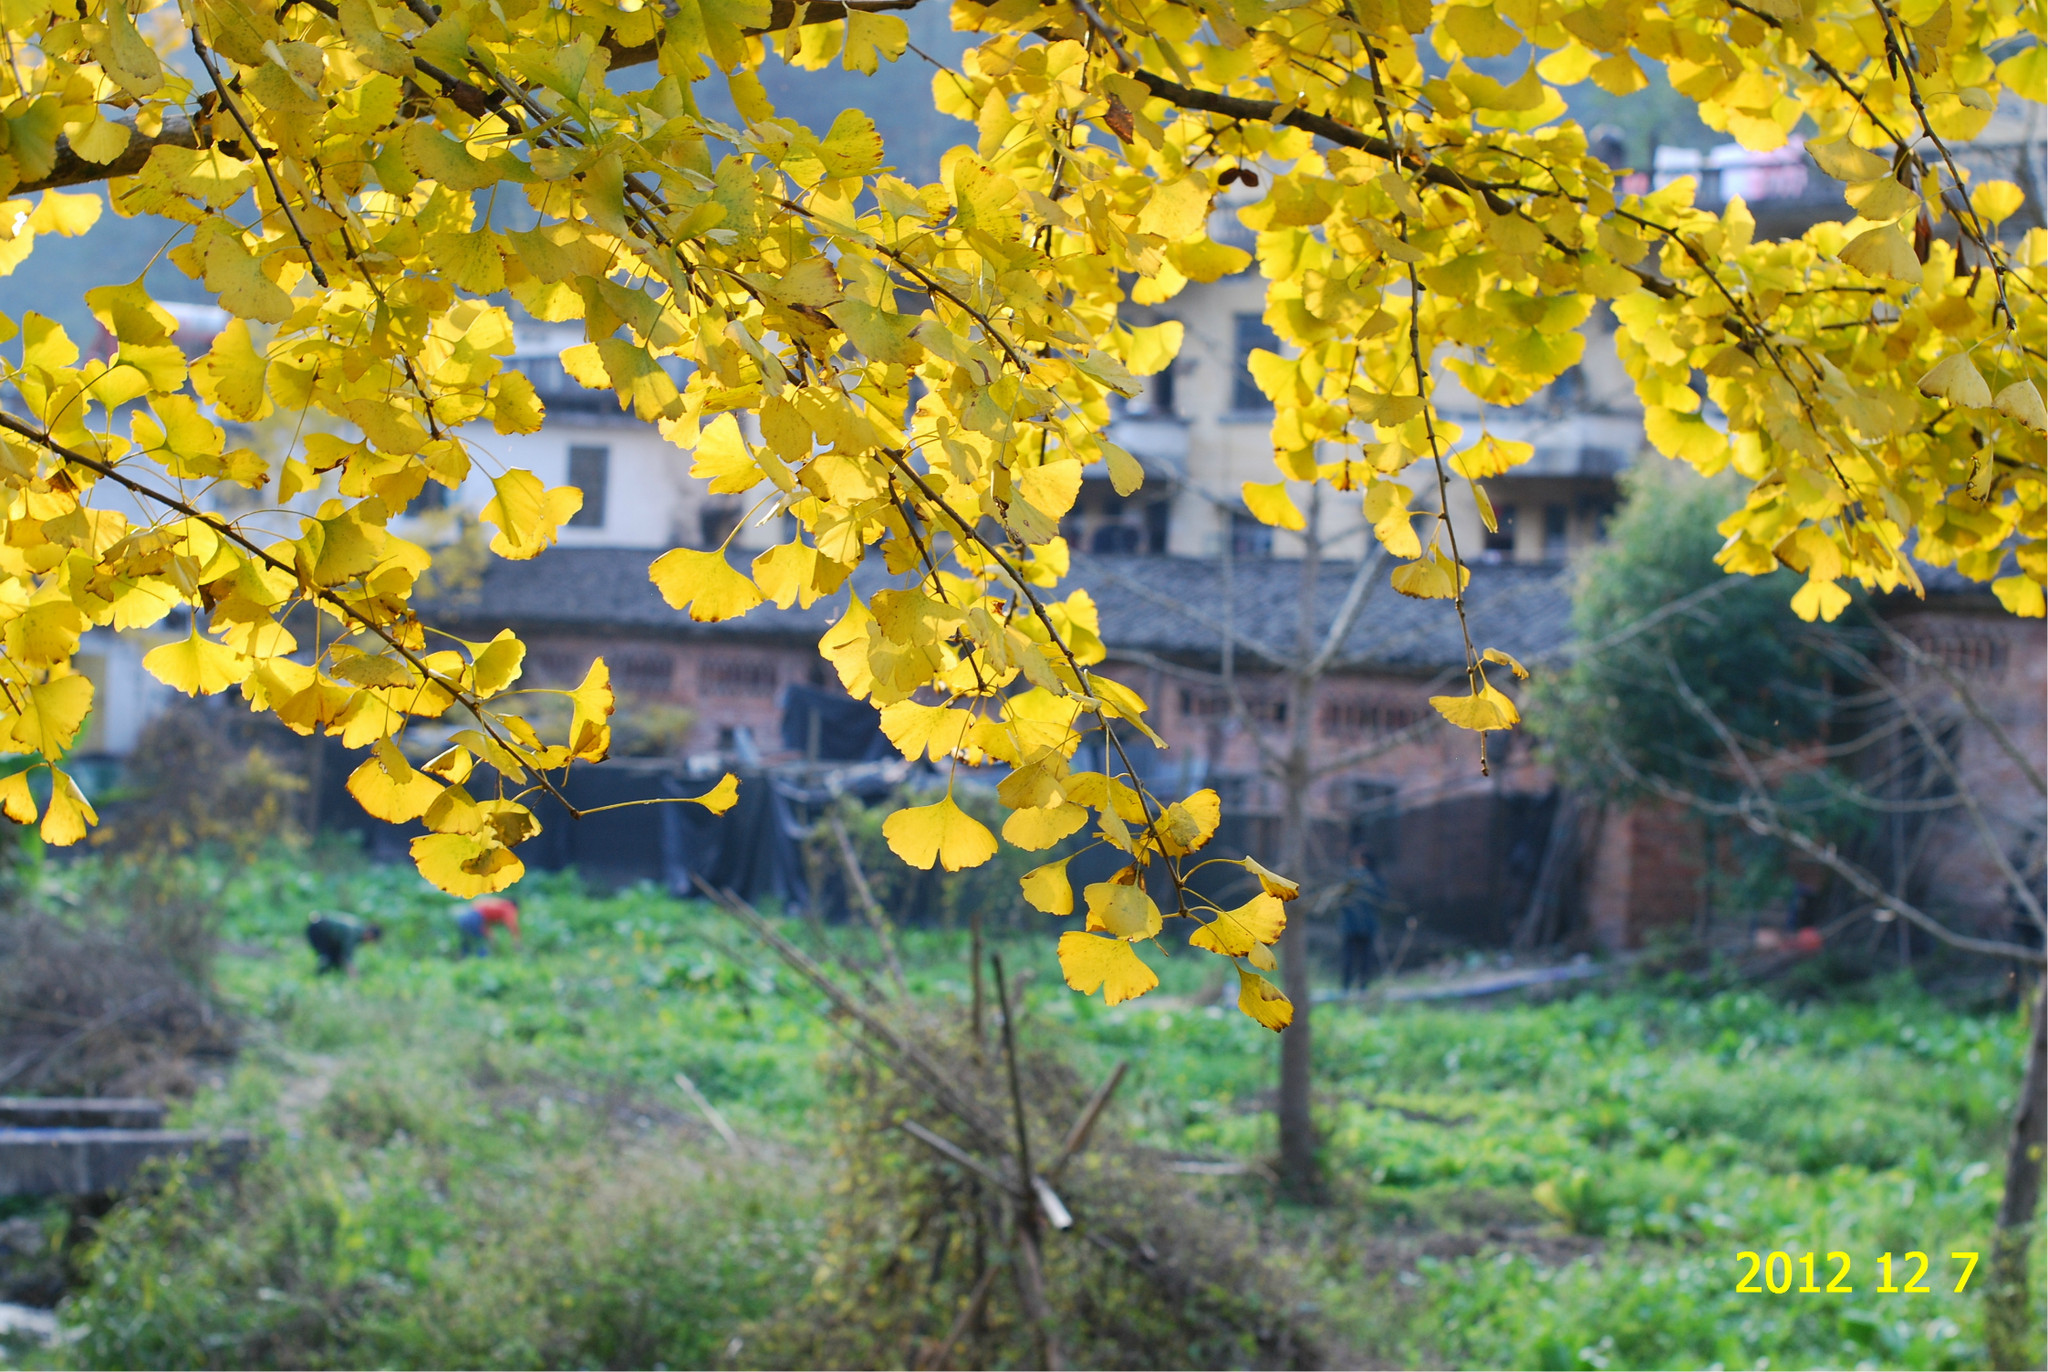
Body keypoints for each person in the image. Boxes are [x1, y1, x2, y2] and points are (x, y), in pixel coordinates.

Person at [1338, 849, 1387, 990]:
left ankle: (1350, 987)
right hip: (1359, 926)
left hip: (1357, 926)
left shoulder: (1355, 877)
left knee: (1355, 958)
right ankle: (1356, 987)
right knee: (1358, 959)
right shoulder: (1373, 878)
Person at [306, 912, 381, 976]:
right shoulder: (354, 933)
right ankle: (317, 976)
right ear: (370, 935)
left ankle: (323, 975)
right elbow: (347, 957)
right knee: (328, 958)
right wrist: (354, 976)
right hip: (318, 928)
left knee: (336, 960)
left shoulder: (359, 928)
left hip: (325, 930)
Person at [455, 895, 520, 957]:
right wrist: (516, 941)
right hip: (474, 917)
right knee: (480, 943)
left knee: (467, 942)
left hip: (464, 916)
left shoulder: (496, 903)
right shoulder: (508, 906)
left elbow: (484, 924)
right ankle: (482, 962)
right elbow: (512, 924)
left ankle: (463, 962)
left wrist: (491, 938)